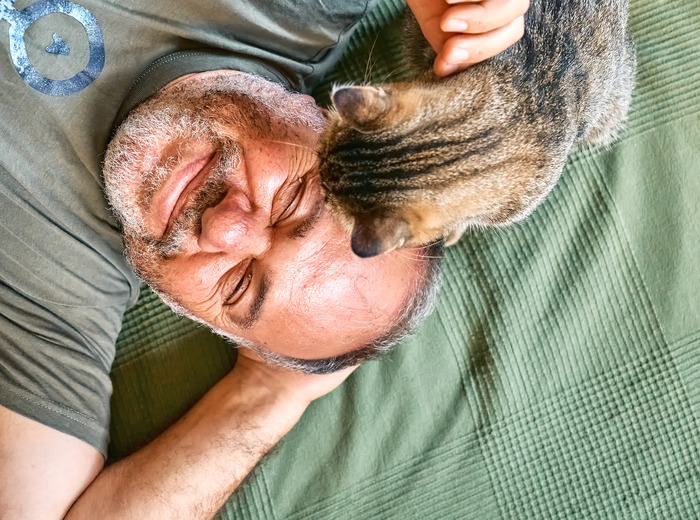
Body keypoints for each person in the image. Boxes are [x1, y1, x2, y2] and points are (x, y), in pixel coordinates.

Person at [0, 0, 529, 517]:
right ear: (328, 121)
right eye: (291, 201)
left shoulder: (52, 309)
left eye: (236, 287)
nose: (224, 226)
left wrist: (268, 393)